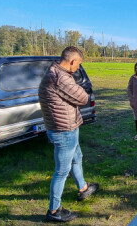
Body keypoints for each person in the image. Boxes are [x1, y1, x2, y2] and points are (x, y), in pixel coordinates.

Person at [39, 46, 99, 223]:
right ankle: (54, 210)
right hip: (64, 130)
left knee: (77, 157)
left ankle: (83, 188)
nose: (79, 68)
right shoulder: (60, 78)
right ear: (72, 61)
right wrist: (79, 89)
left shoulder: (57, 73)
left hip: (68, 126)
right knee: (61, 171)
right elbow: (83, 98)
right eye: (79, 64)